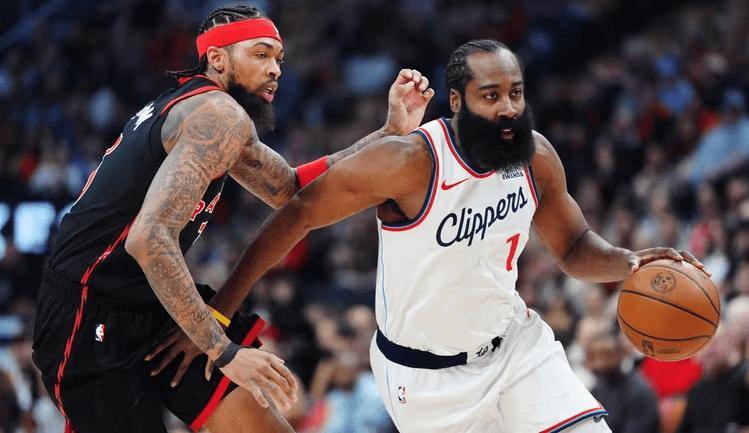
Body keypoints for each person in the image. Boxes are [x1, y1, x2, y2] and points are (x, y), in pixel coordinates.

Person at [210, 39, 709, 432]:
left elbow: (575, 247)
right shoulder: (409, 162)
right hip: (425, 380)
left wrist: (627, 261)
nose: (508, 108)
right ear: (457, 101)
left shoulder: (535, 156)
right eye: (491, 96)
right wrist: (219, 315)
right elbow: (296, 215)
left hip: (516, 348)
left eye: (515, 93)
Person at [31, 4, 434, 433]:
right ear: (217, 58)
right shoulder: (217, 115)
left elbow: (289, 188)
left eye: (279, 58)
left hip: (150, 300)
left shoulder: (214, 112)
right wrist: (222, 350)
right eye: (260, 54)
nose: (275, 69)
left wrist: (388, 136)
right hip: (88, 312)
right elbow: (148, 239)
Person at [586, 332, 660, 433]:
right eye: (593, 356)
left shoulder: (638, 391)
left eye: (606, 355)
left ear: (620, 354)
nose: (599, 363)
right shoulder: (596, 389)